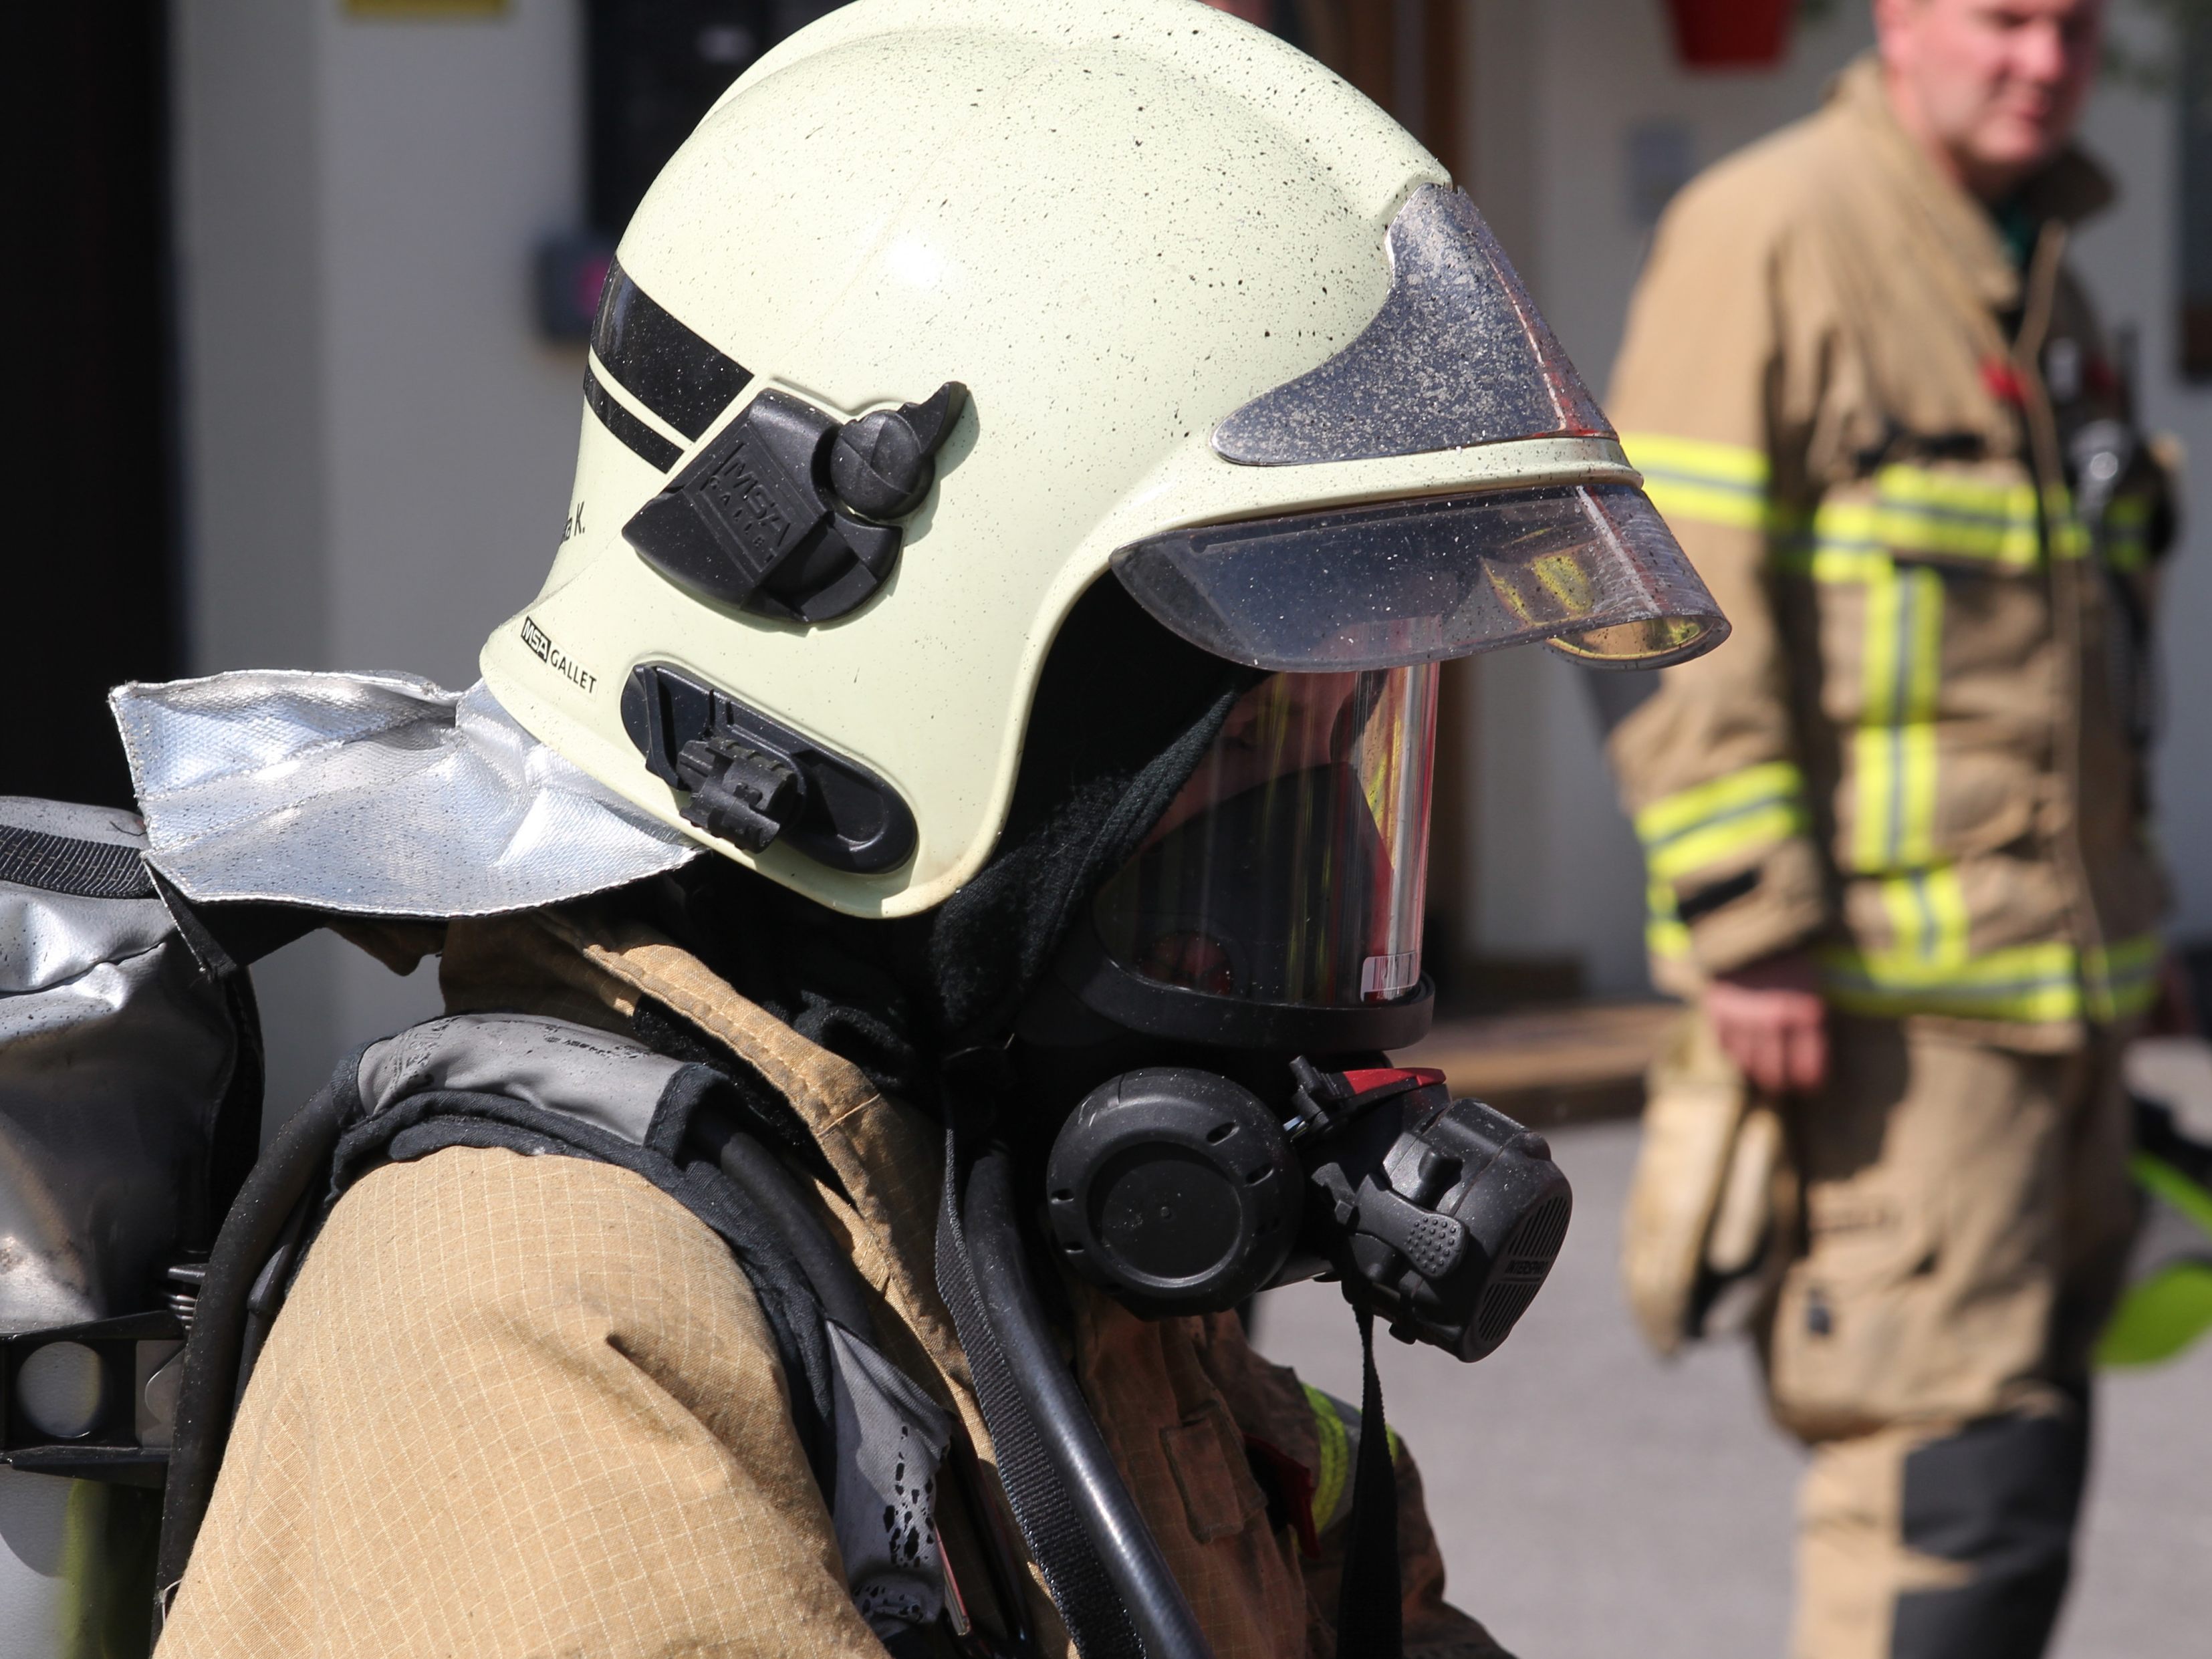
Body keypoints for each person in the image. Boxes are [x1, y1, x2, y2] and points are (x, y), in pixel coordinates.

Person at [116, 3, 1728, 1654]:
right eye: (1247, 745)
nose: (1322, 836)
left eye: (1352, 743)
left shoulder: (978, 1201)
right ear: (910, 692)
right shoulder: (538, 1314)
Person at [1603, 3, 2178, 1656]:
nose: (2041, 61)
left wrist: (2124, 934)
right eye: (2001, 17)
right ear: (1897, 17)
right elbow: (1666, 607)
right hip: (1880, 1013)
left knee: (2019, 1468)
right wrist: (1745, 920)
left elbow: (2073, 656)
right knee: (1937, 1494)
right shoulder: (1772, 231)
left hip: (2046, 1004)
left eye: (2072, 27)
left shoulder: (2038, 250)